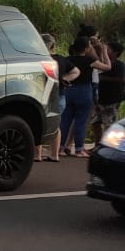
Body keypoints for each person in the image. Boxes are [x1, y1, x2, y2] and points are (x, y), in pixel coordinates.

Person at [63, 36, 112, 157]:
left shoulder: (67, 59)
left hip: (68, 91)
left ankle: (61, 147)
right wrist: (104, 51)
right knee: (81, 120)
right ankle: (79, 149)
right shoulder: (89, 60)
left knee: (65, 120)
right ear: (86, 48)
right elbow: (107, 67)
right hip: (84, 91)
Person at [40, 33, 78, 162]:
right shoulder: (62, 59)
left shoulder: (42, 60)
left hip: (44, 95)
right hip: (60, 95)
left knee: (39, 123)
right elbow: (76, 71)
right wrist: (65, 78)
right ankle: (54, 154)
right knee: (56, 125)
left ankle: (36, 155)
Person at [89, 40, 123, 149]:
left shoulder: (119, 65)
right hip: (99, 98)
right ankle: (98, 145)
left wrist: (103, 78)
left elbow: (122, 79)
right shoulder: (102, 63)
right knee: (95, 122)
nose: (106, 51)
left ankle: (109, 147)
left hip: (112, 99)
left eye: (108, 49)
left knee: (109, 124)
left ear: (116, 53)